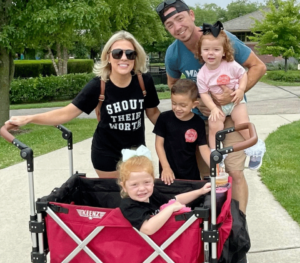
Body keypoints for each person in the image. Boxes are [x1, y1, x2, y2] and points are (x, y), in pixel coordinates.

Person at [156, 0, 266, 215]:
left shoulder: (219, 38)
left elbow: (257, 67)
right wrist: (193, 104)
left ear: (191, 15)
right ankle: (212, 222)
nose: (177, 27)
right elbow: (173, 86)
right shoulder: (173, 53)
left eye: (180, 19)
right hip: (199, 123)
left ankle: (238, 226)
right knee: (210, 176)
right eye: (170, 24)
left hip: (231, 117)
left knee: (234, 173)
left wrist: (234, 96)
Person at [6, 30, 160, 178]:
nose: (124, 58)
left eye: (130, 54)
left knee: (141, 195)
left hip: (137, 153)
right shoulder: (98, 85)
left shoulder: (143, 82)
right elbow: (66, 113)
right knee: (115, 197)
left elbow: (153, 113)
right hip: (107, 155)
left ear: (136, 57)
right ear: (108, 56)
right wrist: (29, 119)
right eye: (117, 53)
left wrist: (174, 130)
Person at [196, 22, 266, 170]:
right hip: (219, 106)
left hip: (235, 102)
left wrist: (241, 90)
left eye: (216, 49)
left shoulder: (230, 64)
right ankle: (216, 154)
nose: (210, 53)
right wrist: (213, 108)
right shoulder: (202, 73)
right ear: (200, 52)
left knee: (241, 124)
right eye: (206, 49)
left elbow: (243, 76)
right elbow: (203, 94)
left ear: (223, 51)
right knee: (215, 124)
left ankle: (256, 148)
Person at [118, 145, 211, 235]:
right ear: (124, 187)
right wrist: (170, 208)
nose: (142, 188)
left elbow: (174, 200)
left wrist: (200, 191)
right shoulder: (128, 205)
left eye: (146, 182)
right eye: (134, 185)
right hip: (142, 247)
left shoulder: (152, 194)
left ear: (153, 181)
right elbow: (147, 229)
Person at [153, 79, 211, 184]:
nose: (177, 108)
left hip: (191, 174)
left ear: (194, 104)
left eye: (183, 105)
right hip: (169, 175)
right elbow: (159, 145)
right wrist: (166, 168)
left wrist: (214, 166)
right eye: (174, 103)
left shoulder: (198, 122)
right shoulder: (164, 118)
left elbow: (203, 148)